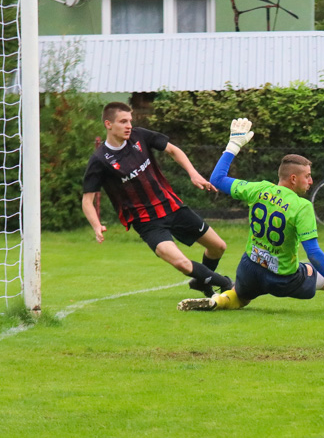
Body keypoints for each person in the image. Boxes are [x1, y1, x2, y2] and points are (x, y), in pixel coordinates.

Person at [177, 118, 324, 313]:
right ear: (294, 178)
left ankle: (218, 301)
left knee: (240, 297)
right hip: (283, 277)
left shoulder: (258, 189)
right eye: (308, 176)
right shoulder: (301, 206)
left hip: (250, 267)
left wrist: (233, 146)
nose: (311, 181)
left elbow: (217, 179)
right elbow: (313, 253)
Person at [81, 102, 233, 297]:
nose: (129, 125)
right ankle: (227, 284)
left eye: (130, 121)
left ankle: (202, 283)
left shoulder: (139, 136)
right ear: (108, 124)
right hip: (147, 222)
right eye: (123, 121)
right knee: (181, 262)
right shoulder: (100, 160)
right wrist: (96, 225)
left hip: (172, 207)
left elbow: (173, 150)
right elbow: (87, 200)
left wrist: (193, 174)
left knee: (218, 246)